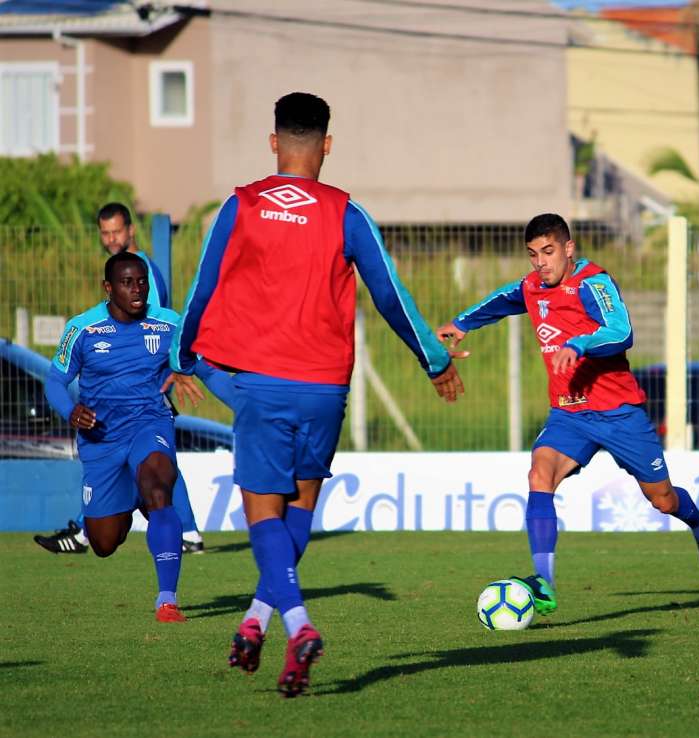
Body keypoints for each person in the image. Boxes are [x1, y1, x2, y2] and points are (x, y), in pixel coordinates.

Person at [168, 91, 465, 697]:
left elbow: (200, 287)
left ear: (273, 142)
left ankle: (299, 626)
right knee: (300, 507)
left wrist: (181, 357)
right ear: (326, 145)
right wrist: (434, 361)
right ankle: (255, 620)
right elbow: (389, 295)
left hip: (262, 385)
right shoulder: (347, 213)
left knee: (263, 515)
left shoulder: (242, 204)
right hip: (326, 390)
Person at [436, 213, 699, 617]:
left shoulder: (594, 282)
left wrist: (580, 343)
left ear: (569, 249)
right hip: (570, 414)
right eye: (533, 254)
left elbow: (622, 332)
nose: (540, 263)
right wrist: (463, 322)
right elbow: (504, 298)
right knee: (540, 473)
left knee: (662, 499)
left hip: (619, 413)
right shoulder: (533, 286)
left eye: (549, 252)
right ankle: (545, 583)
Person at [34, 202, 208, 555]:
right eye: (106, 232)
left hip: (150, 388)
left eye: (117, 231)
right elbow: (58, 378)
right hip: (113, 405)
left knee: (158, 463)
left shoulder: (146, 279)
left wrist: (175, 368)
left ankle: (185, 531)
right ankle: (97, 526)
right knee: (151, 468)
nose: (112, 238)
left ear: (131, 231)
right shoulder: (89, 318)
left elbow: (161, 330)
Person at [44, 251, 204, 622]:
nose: (137, 290)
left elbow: (197, 363)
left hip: (150, 424)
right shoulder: (82, 329)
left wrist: (236, 399)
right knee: (103, 543)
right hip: (101, 439)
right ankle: (128, 500)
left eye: (142, 282)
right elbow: (55, 380)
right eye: (127, 283)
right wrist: (71, 411)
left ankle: (167, 600)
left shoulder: (168, 324)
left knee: (160, 489)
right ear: (108, 287)